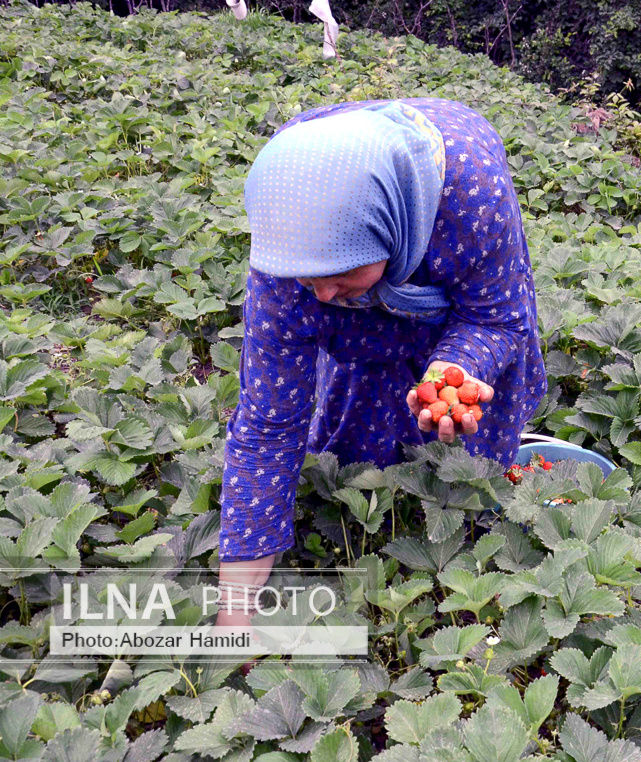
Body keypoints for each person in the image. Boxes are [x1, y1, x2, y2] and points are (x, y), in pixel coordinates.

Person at [214, 98, 547, 624]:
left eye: (339, 272)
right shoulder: (287, 251)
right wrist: (234, 613)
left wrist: (452, 370)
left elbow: (494, 317)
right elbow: (267, 428)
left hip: (444, 217)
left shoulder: (473, 200)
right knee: (356, 442)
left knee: (468, 454)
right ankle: (379, 519)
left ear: (390, 228)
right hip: (363, 227)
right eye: (306, 278)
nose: (322, 294)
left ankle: (473, 552)